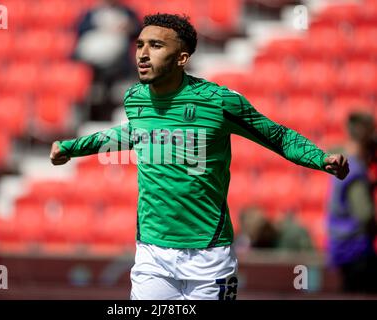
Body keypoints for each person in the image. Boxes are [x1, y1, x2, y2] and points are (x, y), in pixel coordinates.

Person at [50, 13, 349, 300]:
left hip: (208, 255)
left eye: (155, 46)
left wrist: (319, 158)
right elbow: (130, 134)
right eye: (140, 44)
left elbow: (278, 136)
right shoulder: (134, 99)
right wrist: (72, 148)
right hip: (152, 252)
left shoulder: (219, 103)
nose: (143, 53)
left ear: (182, 58)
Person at [326, 111, 377, 293]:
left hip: (340, 248)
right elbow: (365, 215)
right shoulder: (356, 171)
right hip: (355, 252)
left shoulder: (344, 164)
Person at [74, 0, 141, 121]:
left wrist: (128, 27)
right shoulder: (92, 13)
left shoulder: (127, 12)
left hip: (120, 67)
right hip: (95, 67)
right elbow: (80, 30)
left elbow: (139, 30)